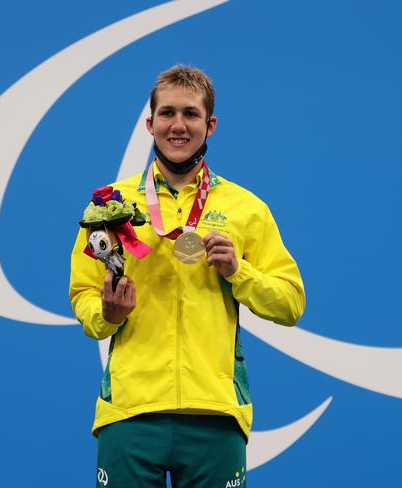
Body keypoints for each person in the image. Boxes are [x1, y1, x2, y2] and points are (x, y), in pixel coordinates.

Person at [69, 65, 305, 487]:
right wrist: (108, 314)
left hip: (214, 413)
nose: (179, 125)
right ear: (150, 123)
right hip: (130, 412)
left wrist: (239, 271)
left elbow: (290, 304)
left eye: (192, 115)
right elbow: (83, 295)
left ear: (210, 125)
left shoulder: (245, 207)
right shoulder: (109, 206)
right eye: (168, 114)